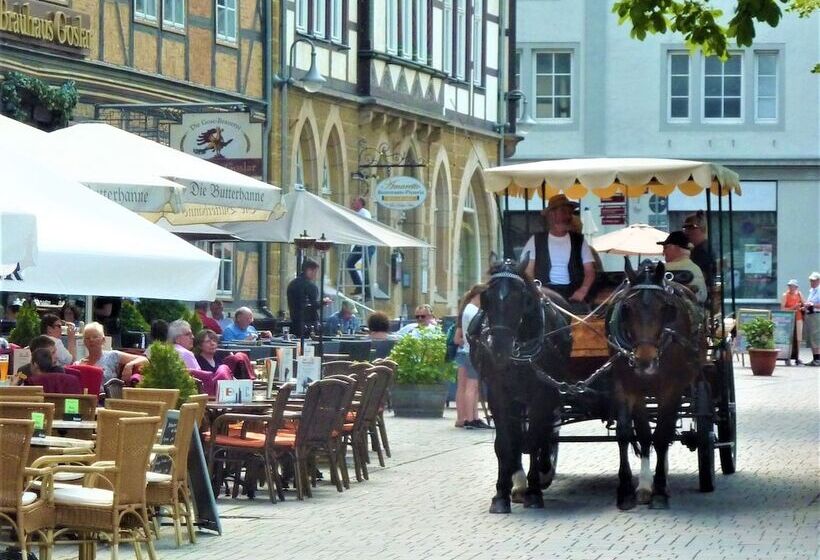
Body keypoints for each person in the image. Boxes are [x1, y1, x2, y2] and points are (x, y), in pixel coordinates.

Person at [521, 194, 596, 302]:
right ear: (551, 215)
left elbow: (589, 271)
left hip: (573, 295)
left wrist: (583, 291)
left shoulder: (579, 241)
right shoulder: (536, 240)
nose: (568, 217)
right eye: (564, 212)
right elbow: (528, 271)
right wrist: (535, 291)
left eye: (570, 213)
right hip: (544, 293)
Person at [454, 284, 490, 429]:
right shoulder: (473, 311)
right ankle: (470, 419)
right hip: (473, 351)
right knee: (472, 386)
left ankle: (471, 416)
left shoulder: (468, 309)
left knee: (470, 387)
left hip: (468, 350)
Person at [77, 322, 148, 385]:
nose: (91, 340)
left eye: (95, 337)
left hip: (106, 398)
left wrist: (129, 365)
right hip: (83, 398)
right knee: (70, 399)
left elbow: (144, 360)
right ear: (84, 342)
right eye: (87, 338)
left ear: (103, 340)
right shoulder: (78, 364)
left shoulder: (112, 356)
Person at [657, 231, 708, 304]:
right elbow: (703, 296)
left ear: (676, 248)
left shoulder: (664, 269)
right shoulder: (696, 269)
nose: (663, 252)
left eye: (665, 248)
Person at [286, 259, 329, 338]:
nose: (315, 275)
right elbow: (312, 305)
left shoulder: (291, 284)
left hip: (295, 322)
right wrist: (323, 302)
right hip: (309, 324)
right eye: (315, 272)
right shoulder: (310, 286)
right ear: (309, 270)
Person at [346, 197, 375, 296]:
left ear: (361, 204)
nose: (353, 203)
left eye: (356, 202)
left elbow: (363, 225)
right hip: (359, 243)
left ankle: (368, 293)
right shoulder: (355, 213)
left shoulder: (364, 212)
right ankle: (359, 286)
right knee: (349, 263)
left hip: (368, 244)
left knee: (365, 267)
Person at [682, 211, 716, 289]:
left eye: (689, 227)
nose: (686, 232)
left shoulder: (702, 251)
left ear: (698, 229)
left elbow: (698, 276)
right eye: (685, 228)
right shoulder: (702, 248)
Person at [781, 279, 805, 365]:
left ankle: (797, 358)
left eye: (793, 286)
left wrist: (802, 308)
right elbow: (782, 309)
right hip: (788, 319)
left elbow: (804, 305)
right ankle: (787, 357)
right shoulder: (785, 295)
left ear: (796, 287)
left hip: (798, 318)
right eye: (789, 286)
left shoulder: (799, 294)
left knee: (798, 339)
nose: (791, 288)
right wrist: (793, 307)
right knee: (789, 339)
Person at [802, 272, 820, 367]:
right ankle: (815, 358)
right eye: (811, 280)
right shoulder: (812, 291)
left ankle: (818, 359)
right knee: (811, 338)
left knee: (816, 337)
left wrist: (812, 305)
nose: (811, 282)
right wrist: (805, 306)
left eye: (813, 280)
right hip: (810, 315)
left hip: (816, 315)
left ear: (818, 280)